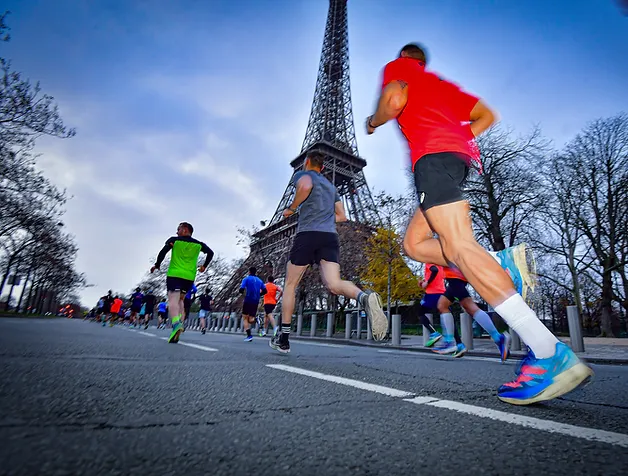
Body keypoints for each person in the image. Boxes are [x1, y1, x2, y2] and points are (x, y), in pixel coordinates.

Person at [365, 42, 593, 405]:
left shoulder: (400, 68)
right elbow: (487, 116)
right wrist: (457, 136)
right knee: (414, 244)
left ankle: (548, 351)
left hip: (433, 159)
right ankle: (496, 262)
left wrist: (373, 122)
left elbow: (393, 102)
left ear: (407, 59)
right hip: (458, 159)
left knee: (459, 247)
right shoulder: (443, 85)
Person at [270, 151, 388, 354]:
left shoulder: (304, 175)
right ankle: (363, 297)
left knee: (290, 285)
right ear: (323, 167)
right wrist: (324, 219)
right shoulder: (331, 187)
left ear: (307, 163)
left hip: (307, 234)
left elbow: (305, 186)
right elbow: (342, 216)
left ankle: (284, 338)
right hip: (329, 237)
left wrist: (292, 207)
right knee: (334, 284)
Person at [151, 222, 214, 344]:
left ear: (185, 230)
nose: (176, 232)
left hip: (175, 274)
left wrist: (157, 264)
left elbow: (163, 252)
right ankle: (180, 321)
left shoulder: (174, 240)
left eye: (178, 229)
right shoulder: (199, 244)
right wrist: (204, 266)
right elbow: (211, 253)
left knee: (172, 300)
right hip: (189, 277)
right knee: (180, 300)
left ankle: (175, 323)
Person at [432, 266, 511, 361]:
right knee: (442, 305)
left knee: (470, 307)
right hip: (456, 275)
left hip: (455, 275)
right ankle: (458, 344)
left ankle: (450, 342)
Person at [240, 267, 267, 342]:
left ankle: (249, 335)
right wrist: (259, 294)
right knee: (251, 318)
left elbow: (241, 289)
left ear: (249, 271)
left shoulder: (246, 279)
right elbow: (265, 291)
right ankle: (257, 319)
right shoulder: (260, 280)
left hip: (248, 299)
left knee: (245, 318)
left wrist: (243, 294)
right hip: (256, 300)